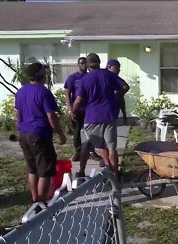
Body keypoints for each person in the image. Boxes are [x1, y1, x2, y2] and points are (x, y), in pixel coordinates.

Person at [14, 62, 67, 204]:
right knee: (45, 170)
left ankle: (34, 198)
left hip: (24, 134)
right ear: (41, 75)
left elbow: (17, 114)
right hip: (39, 134)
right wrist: (60, 134)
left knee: (32, 169)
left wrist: (20, 129)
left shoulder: (21, 91)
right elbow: (51, 116)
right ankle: (41, 203)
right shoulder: (44, 92)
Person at [72, 53, 125, 176]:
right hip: (109, 115)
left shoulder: (85, 79)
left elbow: (78, 100)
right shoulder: (109, 75)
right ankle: (115, 173)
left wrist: (73, 111)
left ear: (88, 65)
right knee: (111, 147)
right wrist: (117, 95)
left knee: (88, 144)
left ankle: (81, 171)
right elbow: (125, 86)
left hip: (93, 117)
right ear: (100, 62)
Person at [64, 57, 87, 161]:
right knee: (77, 132)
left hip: (89, 109)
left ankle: (91, 151)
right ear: (78, 64)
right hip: (77, 109)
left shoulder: (90, 76)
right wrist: (70, 109)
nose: (83, 65)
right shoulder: (72, 78)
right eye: (81, 63)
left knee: (91, 132)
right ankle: (78, 151)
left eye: (85, 63)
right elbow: (67, 94)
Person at [106, 59, 130, 124]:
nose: (119, 70)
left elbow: (126, 87)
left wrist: (118, 93)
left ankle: (125, 119)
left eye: (119, 68)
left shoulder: (115, 77)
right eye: (116, 68)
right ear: (109, 67)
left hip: (116, 99)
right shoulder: (110, 75)